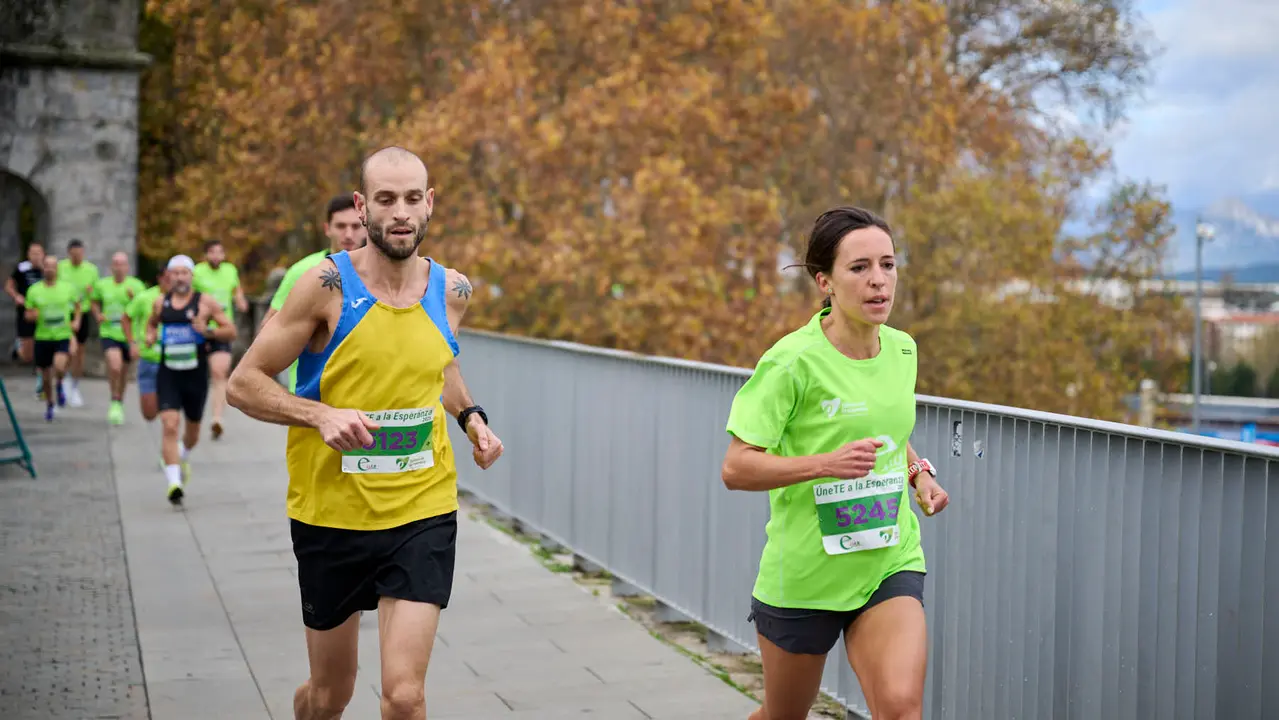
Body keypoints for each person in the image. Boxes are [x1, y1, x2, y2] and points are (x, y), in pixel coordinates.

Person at [227, 146, 504, 720]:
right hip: (331, 514)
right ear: (362, 206)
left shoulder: (454, 291)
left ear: (429, 204)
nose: (399, 212)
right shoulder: (323, 284)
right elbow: (244, 383)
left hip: (421, 507)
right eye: (384, 200)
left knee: (404, 696)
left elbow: (439, 363)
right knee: (332, 695)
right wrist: (320, 415)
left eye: (411, 199)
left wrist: (472, 416)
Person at [720, 206, 951, 720]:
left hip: (887, 559)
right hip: (806, 574)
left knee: (899, 708)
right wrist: (824, 464)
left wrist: (918, 473)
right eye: (859, 268)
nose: (878, 281)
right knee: (785, 716)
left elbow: (888, 434)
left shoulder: (903, 350)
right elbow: (736, 467)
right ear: (824, 281)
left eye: (888, 265)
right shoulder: (791, 362)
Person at [145, 255, 236, 506]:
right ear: (168, 277)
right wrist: (150, 336)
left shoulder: (204, 302)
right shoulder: (160, 303)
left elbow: (230, 330)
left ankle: (182, 455)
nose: (180, 277)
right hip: (169, 373)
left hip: (195, 375)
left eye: (185, 273)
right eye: (175, 273)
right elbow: (151, 325)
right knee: (170, 425)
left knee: (192, 433)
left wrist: (207, 331)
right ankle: (174, 483)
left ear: (191, 277)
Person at [259, 193, 368, 392]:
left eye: (356, 226)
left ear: (366, 228)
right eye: (341, 226)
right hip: (309, 392)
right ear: (327, 229)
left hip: (361, 393)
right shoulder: (303, 271)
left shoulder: (378, 272)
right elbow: (268, 327)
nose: (349, 234)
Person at [193, 239, 249, 440]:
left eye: (219, 252)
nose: (216, 256)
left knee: (219, 372)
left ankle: (217, 419)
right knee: (197, 377)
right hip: (199, 330)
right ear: (206, 255)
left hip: (223, 329)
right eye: (212, 252)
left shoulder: (230, 271)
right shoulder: (197, 272)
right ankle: (193, 416)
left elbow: (237, 291)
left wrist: (241, 301)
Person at [91, 252, 147, 424]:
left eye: (122, 264)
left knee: (123, 371)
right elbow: (94, 301)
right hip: (109, 332)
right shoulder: (102, 285)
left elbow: (144, 307)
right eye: (116, 263)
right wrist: (98, 314)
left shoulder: (136, 286)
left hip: (129, 335)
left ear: (127, 267)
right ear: (111, 267)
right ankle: (114, 397)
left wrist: (133, 299)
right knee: (115, 366)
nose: (119, 267)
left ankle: (118, 400)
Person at [24, 255, 81, 421]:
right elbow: (28, 313)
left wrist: (76, 321)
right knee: (46, 377)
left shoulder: (67, 288)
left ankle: (61, 384)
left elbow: (78, 305)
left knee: (60, 366)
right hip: (42, 337)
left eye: (52, 266)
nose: (49, 269)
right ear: (43, 268)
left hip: (62, 335)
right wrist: (31, 316)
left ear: (57, 269)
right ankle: (50, 404)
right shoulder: (34, 290)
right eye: (47, 266)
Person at [124, 268, 171, 427]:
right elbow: (126, 318)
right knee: (149, 414)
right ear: (159, 278)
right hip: (149, 359)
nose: (171, 281)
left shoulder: (186, 300)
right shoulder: (145, 297)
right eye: (167, 277)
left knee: (170, 415)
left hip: (173, 363)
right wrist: (132, 343)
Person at [58, 239, 100, 408]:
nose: (77, 257)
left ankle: (74, 385)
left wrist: (92, 294)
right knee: (66, 349)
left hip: (82, 313)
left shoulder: (91, 269)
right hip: (65, 313)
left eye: (80, 254)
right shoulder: (61, 267)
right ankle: (63, 381)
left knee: (80, 352)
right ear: (69, 253)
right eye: (74, 254)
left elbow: (95, 293)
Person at [6, 242, 46, 395]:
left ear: (43, 254)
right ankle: (19, 347)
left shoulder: (47, 269)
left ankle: (41, 381)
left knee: (42, 346)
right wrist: (16, 297)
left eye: (39, 253)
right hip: (25, 312)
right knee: (27, 355)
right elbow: (9, 285)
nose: (36, 256)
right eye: (33, 253)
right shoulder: (22, 268)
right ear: (28, 255)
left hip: (42, 314)